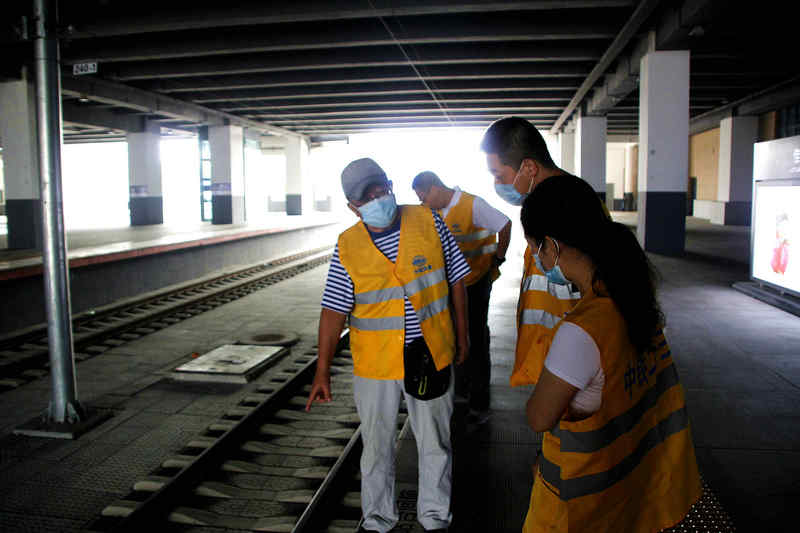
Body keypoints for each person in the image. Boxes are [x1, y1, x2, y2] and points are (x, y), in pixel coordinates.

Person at [519, 175, 702, 532]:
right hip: (640, 488)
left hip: (580, 507)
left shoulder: (581, 330)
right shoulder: (634, 297)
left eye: (535, 250)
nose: (537, 260)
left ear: (551, 246)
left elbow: (538, 417)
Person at [306, 158, 470, 533]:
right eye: (367, 196)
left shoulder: (429, 221)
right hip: (375, 364)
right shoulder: (348, 245)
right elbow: (333, 310)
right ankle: (378, 519)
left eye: (381, 188)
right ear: (353, 207)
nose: (378, 198)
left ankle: (435, 517)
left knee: (435, 442)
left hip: (430, 354)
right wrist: (321, 371)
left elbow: (457, 279)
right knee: (376, 445)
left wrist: (464, 336)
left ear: (389, 185)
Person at [479, 117, 583, 387]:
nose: (497, 183)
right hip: (556, 364)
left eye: (498, 175)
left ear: (528, 167)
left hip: (570, 371)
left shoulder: (568, 209)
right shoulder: (547, 206)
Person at [411, 170, 511, 424]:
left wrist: (498, 258)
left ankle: (479, 401)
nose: (422, 203)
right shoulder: (429, 211)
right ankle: (459, 394)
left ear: (435, 188)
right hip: (446, 287)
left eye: (424, 197)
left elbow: (505, 224)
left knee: (475, 338)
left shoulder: (472, 205)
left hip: (475, 283)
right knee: (451, 336)